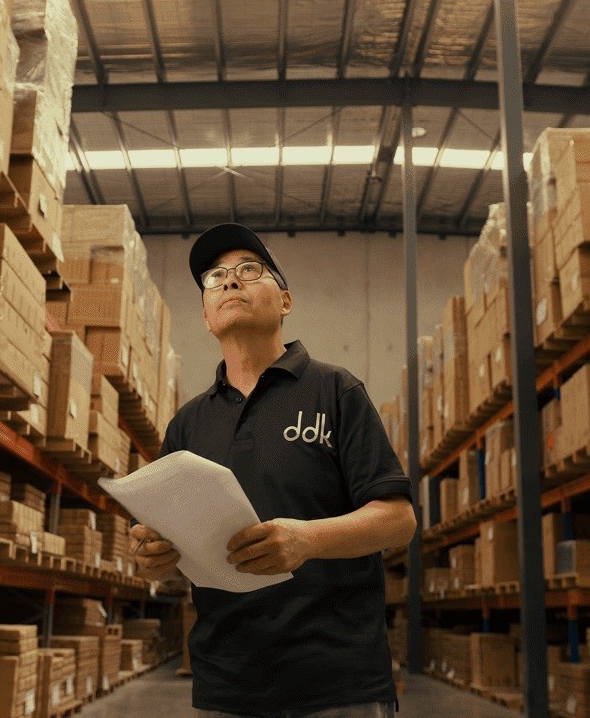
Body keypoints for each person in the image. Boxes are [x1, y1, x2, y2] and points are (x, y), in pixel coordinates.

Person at [129, 223, 417, 718]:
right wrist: (155, 554)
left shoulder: (335, 390)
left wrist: (307, 539)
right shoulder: (187, 424)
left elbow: (399, 520)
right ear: (205, 314)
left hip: (337, 684)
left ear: (285, 300)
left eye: (249, 270)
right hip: (225, 686)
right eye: (215, 278)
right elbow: (177, 548)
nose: (229, 281)